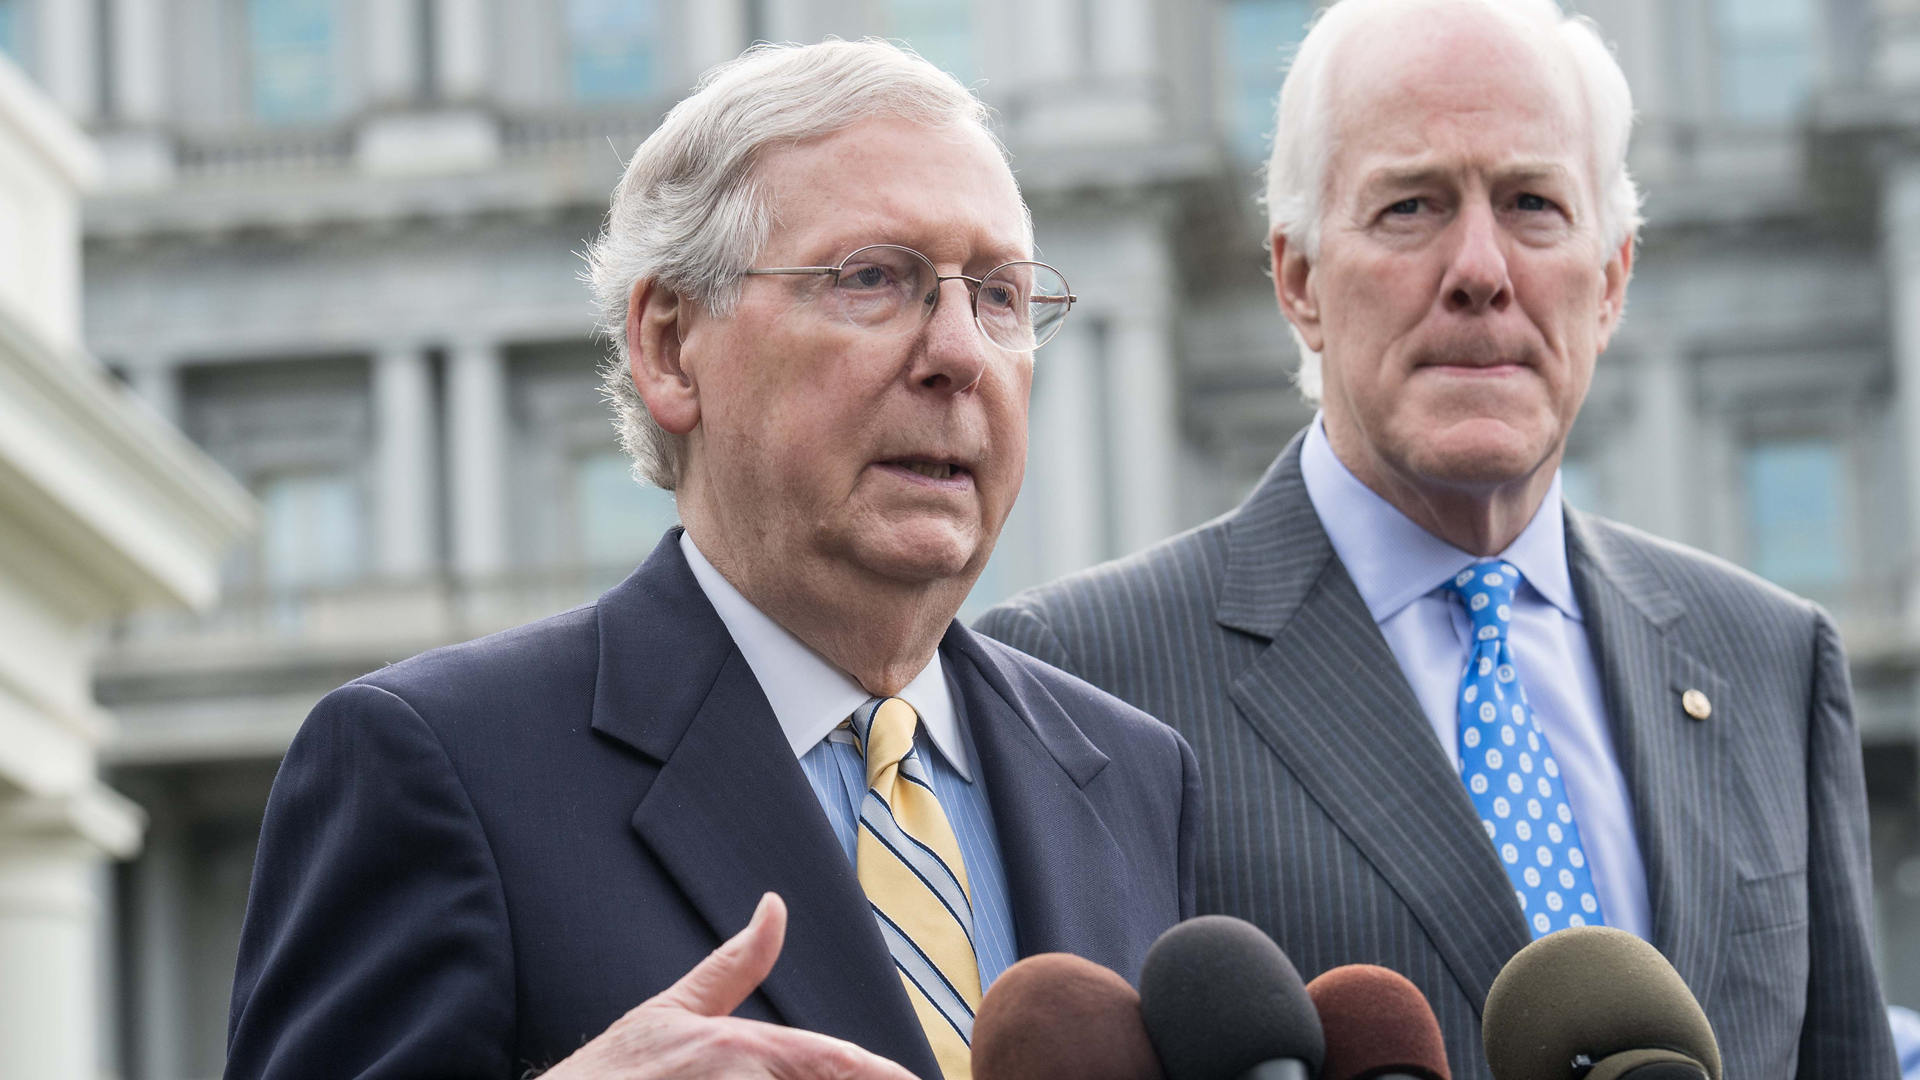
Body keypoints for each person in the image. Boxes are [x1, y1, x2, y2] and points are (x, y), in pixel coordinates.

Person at [226, 40, 1198, 1080]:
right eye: (873, 278)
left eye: (999, 296)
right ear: (671, 347)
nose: (960, 353)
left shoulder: (1133, 774)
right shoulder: (435, 766)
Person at [976, 1, 1896, 1076]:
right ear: (1300, 280)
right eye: (1411, 206)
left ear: (1611, 280)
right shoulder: (1073, 679)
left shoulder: (1772, 664)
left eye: (1534, 205)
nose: (1479, 268)